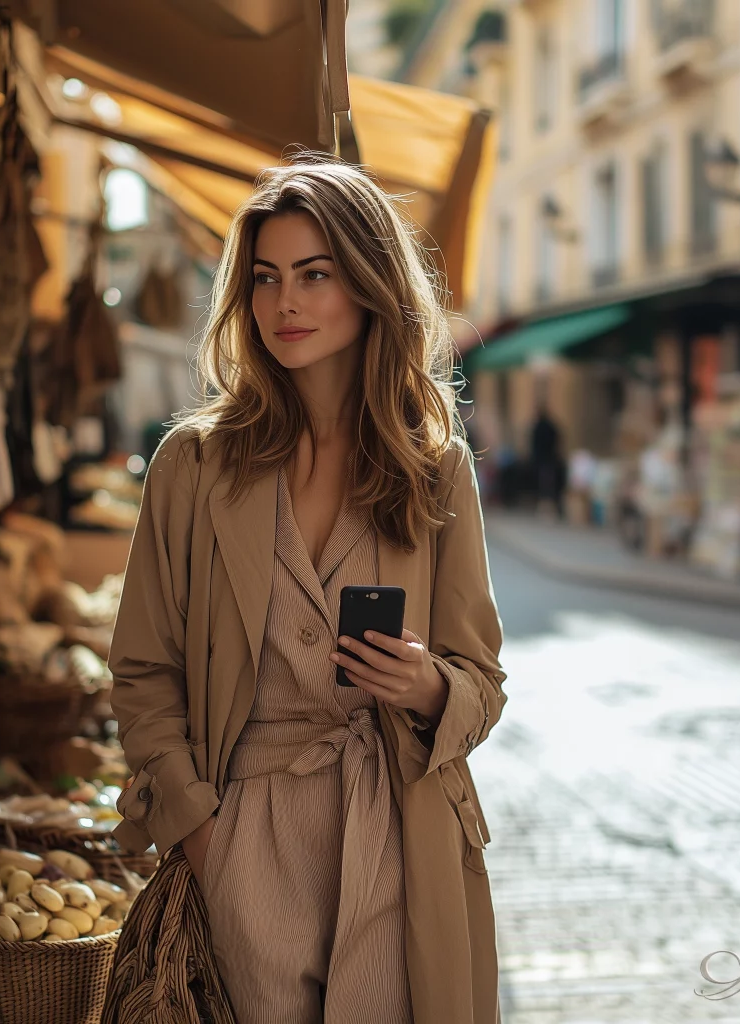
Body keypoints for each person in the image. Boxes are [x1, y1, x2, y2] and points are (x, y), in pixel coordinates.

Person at [108, 155, 508, 1024]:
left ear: (368, 286)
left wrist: (429, 684)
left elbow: (482, 681)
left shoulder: (432, 471)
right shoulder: (194, 465)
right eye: (266, 278)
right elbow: (143, 673)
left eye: (315, 275)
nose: (284, 302)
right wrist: (205, 840)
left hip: (397, 833)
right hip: (241, 834)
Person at [530, 402, 564, 518]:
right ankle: (548, 508)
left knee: (544, 484)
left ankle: (546, 508)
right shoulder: (550, 426)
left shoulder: (539, 427)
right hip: (549, 459)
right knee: (548, 484)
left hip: (543, 460)